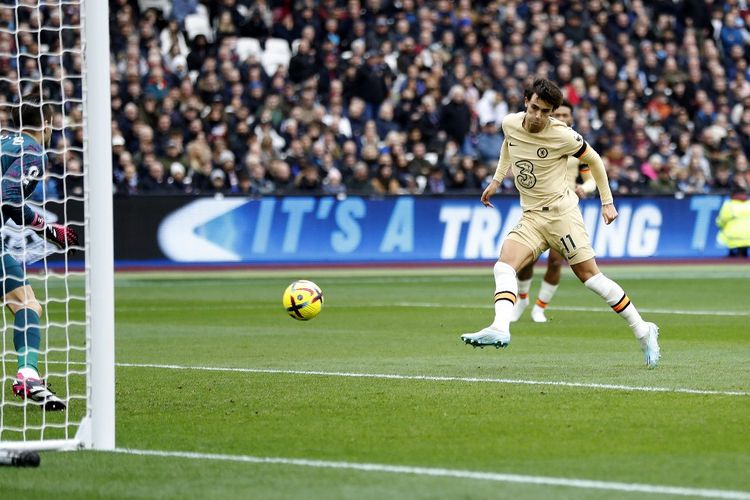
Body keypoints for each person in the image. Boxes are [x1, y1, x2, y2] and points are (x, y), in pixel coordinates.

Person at [460, 79, 660, 368]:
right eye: (534, 108)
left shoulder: (564, 136)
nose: (538, 116)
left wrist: (607, 201)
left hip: (561, 215)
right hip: (531, 216)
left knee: (591, 278)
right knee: (504, 265)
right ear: (525, 102)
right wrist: (496, 180)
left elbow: (595, 160)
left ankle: (643, 330)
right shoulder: (509, 123)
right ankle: (500, 327)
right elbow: (508, 146)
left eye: (546, 111)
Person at [2, 95, 79, 410]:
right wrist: (47, 229)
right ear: (47, 124)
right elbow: (8, 198)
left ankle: (28, 373)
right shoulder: (32, 151)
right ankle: (27, 374)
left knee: (23, 301)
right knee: (27, 304)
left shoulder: (3, 139)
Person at [511, 100, 596, 323]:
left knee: (556, 261)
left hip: (564, 210)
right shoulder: (541, 138)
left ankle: (540, 307)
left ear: (572, 118)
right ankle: (522, 299)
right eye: (558, 114)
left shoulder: (576, 145)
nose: (562, 118)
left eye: (566, 114)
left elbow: (591, 180)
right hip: (537, 208)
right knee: (526, 260)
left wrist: (583, 188)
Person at [716, 184, 750, 257]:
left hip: (733, 237)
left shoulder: (729, 204)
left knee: (724, 231)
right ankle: (743, 253)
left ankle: (732, 253)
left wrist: (720, 225)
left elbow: (721, 221)